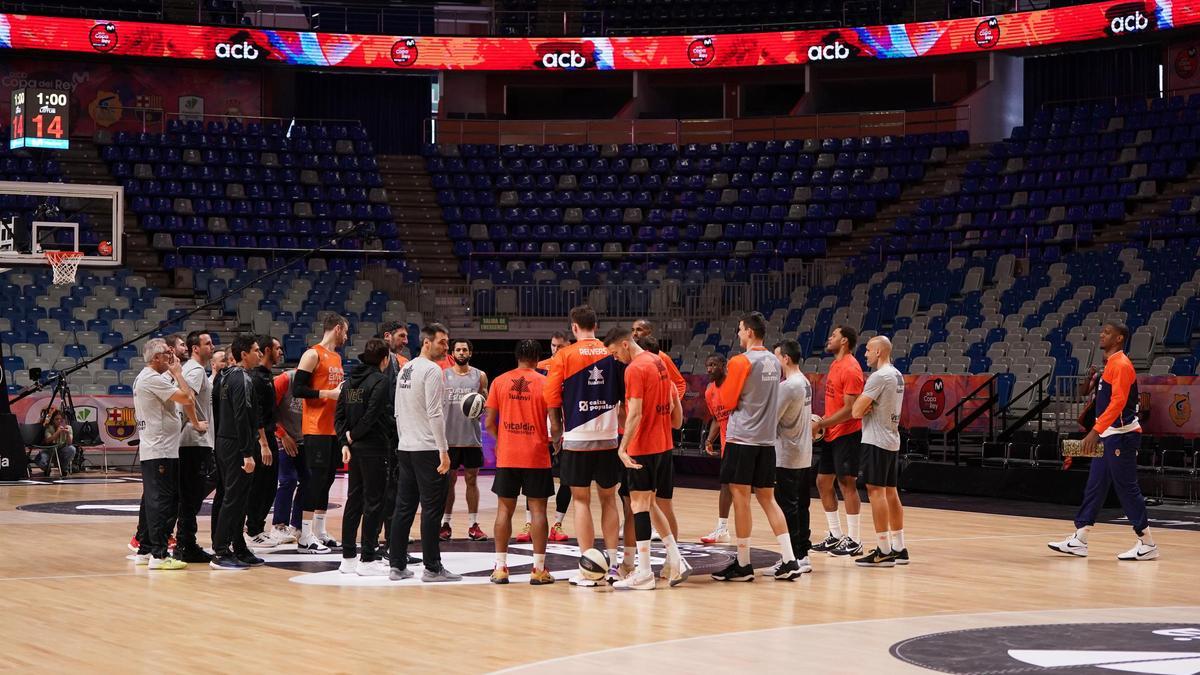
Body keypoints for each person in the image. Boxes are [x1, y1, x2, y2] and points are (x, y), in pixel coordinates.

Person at [1049, 323, 1159, 561]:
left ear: (1119, 338)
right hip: (1109, 434)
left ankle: (1147, 542)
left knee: (1126, 488)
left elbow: (1118, 403)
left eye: (1107, 332)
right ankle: (1080, 538)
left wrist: (1094, 431)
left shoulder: (1121, 364)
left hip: (1122, 435)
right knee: (1095, 485)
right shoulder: (1110, 365)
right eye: (1102, 331)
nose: (1101, 334)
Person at [711, 312, 805, 582]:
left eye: (740, 330)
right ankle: (789, 559)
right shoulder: (775, 363)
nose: (739, 334)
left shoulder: (740, 361)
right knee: (768, 499)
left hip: (743, 439)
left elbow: (727, 402)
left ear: (750, 332)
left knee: (741, 499)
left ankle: (742, 563)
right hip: (766, 440)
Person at [544, 305, 624, 587]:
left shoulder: (564, 355)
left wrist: (556, 434)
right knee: (608, 499)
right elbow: (623, 397)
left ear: (574, 327)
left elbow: (552, 398)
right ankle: (613, 567)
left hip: (577, 440)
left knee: (581, 501)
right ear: (597, 325)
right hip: (608, 437)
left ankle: (589, 567)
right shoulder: (611, 353)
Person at [605, 327, 688, 590]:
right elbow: (676, 414)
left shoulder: (635, 369)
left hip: (644, 446)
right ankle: (676, 558)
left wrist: (623, 448)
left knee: (638, 506)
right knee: (651, 504)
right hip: (664, 445)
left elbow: (636, 413)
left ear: (626, 345)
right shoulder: (659, 361)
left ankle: (643, 572)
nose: (616, 358)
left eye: (615, 352)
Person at [389, 323, 461, 583]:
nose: (447, 347)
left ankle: (396, 565)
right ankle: (432, 567)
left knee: (404, 508)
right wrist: (443, 450)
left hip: (406, 447)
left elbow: (397, 410)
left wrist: (404, 439)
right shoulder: (432, 370)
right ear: (427, 343)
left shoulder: (405, 368)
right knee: (432, 510)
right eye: (442, 342)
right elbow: (435, 412)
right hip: (428, 448)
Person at [486, 339, 555, 586]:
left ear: (516, 357)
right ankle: (538, 569)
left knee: (504, 510)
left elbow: (488, 423)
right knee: (538, 510)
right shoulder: (546, 383)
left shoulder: (499, 381)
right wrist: (552, 441)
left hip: (508, 455)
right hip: (536, 455)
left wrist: (502, 439)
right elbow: (556, 425)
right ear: (537, 358)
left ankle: (500, 567)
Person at [132, 338, 204, 571]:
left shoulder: (146, 377)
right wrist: (178, 372)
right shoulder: (152, 378)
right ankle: (160, 555)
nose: (170, 356)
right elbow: (187, 398)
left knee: (156, 501)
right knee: (164, 502)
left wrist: (172, 371)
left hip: (157, 448)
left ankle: (145, 550)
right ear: (155, 358)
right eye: (166, 353)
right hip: (161, 450)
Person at [336, 339, 396, 577]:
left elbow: (339, 414)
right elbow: (372, 415)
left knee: (354, 500)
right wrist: (352, 436)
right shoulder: (380, 381)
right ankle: (368, 558)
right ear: (385, 358)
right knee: (374, 502)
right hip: (373, 447)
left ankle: (348, 557)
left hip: (354, 448)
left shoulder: (349, 381)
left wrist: (344, 440)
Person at [851, 336, 908, 568]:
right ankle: (899, 547)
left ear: (878, 353)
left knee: (876, 492)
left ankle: (883, 550)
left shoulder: (878, 376)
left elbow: (855, 411)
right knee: (891, 492)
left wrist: (865, 406)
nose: (865, 354)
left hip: (875, 439)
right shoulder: (897, 375)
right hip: (892, 438)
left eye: (867, 350)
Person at [210, 334, 266, 570]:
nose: (260, 354)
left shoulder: (221, 377)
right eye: (256, 350)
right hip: (237, 444)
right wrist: (247, 451)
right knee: (233, 499)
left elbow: (218, 410)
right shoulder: (242, 379)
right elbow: (242, 416)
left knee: (232, 496)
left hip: (224, 441)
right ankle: (221, 551)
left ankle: (238, 546)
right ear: (244, 354)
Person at [293, 313, 348, 554]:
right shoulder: (312, 354)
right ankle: (305, 536)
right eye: (345, 331)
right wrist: (327, 394)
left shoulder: (336, 357)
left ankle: (320, 530)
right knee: (314, 480)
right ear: (337, 329)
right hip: (315, 427)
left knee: (326, 480)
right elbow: (298, 389)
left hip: (333, 428)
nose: (347, 336)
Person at [811, 325, 866, 557]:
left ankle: (854, 540)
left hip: (847, 433)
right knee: (823, 482)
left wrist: (822, 424)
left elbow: (851, 409)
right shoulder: (835, 364)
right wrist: (824, 422)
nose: (829, 338)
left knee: (847, 484)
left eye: (833, 335)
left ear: (844, 341)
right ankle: (835, 535)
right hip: (832, 432)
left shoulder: (852, 368)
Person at [516, 330, 573, 544]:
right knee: (535, 481)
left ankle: (557, 523)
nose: (556, 350)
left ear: (569, 345)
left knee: (567, 480)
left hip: (567, 433)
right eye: (553, 346)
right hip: (540, 432)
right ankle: (530, 522)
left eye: (560, 346)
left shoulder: (574, 367)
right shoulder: (540, 367)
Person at [766, 339, 814, 577]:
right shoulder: (804, 381)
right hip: (804, 452)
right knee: (801, 505)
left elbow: (770, 420)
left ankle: (793, 556)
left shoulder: (788, 386)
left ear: (785, 358)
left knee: (788, 507)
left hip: (787, 454)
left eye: (776, 357)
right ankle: (803, 554)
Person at [440, 338, 490, 542]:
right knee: (448, 483)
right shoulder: (443, 375)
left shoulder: (480, 376)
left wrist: (481, 406)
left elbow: (485, 402)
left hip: (471, 439)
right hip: (449, 439)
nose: (461, 352)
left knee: (472, 481)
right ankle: (445, 523)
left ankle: (473, 525)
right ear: (453, 352)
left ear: (470, 352)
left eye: (465, 349)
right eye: (458, 349)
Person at [173, 331, 215, 564]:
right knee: (190, 496)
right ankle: (185, 544)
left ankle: (185, 542)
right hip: (193, 442)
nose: (212, 346)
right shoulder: (195, 370)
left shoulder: (198, 370)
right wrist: (194, 423)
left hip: (196, 441)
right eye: (207, 343)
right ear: (195, 348)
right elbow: (184, 399)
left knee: (191, 495)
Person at [246, 335, 283, 550]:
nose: (281, 353)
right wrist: (264, 443)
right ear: (267, 349)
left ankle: (258, 527)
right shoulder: (256, 378)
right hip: (261, 438)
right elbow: (257, 412)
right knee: (260, 485)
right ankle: (253, 530)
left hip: (269, 435)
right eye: (277, 349)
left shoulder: (268, 376)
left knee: (269, 486)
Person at [378, 320, 409, 549]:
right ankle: (377, 543)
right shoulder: (379, 361)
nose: (406, 341)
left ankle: (391, 541)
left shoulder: (397, 362)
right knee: (383, 489)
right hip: (381, 435)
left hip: (393, 433)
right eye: (401, 336)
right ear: (387, 335)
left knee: (393, 489)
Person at [271, 368, 307, 544]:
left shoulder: (317, 381)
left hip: (303, 438)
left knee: (308, 481)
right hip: (281, 437)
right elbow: (267, 412)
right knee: (288, 480)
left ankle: (297, 526)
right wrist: (283, 435)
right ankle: (278, 525)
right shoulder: (285, 379)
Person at [700, 354, 733, 544]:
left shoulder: (734, 385)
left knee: (763, 491)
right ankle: (722, 528)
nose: (709, 369)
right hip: (728, 445)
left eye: (713, 365)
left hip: (743, 441)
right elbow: (716, 418)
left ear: (723, 365)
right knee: (726, 485)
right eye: (707, 365)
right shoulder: (709, 391)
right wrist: (710, 439)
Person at [36, 409, 76, 477]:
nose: (59, 421)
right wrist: (57, 432)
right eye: (56, 419)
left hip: (61, 451)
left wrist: (68, 434)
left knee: (72, 449)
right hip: (49, 451)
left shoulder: (68, 427)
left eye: (61, 419)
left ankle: (63, 468)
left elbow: (69, 443)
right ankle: (47, 469)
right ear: (53, 420)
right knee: (41, 462)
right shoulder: (49, 428)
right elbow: (48, 440)